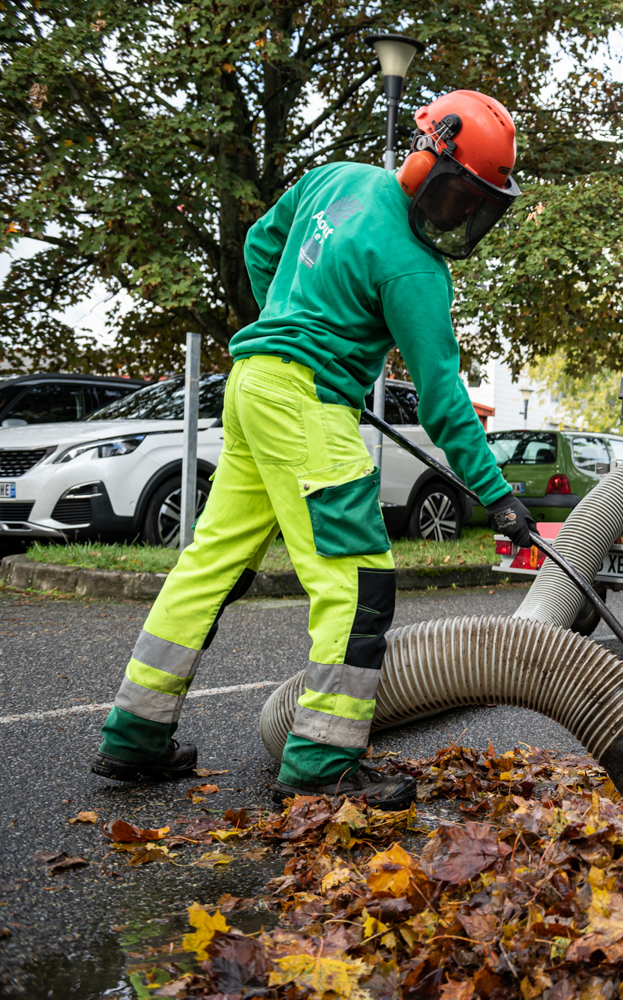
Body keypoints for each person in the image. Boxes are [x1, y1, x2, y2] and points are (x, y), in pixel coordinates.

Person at [88, 90, 537, 810]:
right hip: (305, 408)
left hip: (251, 385)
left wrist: (287, 324)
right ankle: (325, 761)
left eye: (477, 204)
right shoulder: (415, 272)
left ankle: (133, 735)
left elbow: (262, 243)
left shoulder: (335, 179)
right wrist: (495, 494)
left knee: (210, 564)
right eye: (459, 193)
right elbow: (445, 400)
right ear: (428, 155)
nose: (460, 214)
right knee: (359, 581)